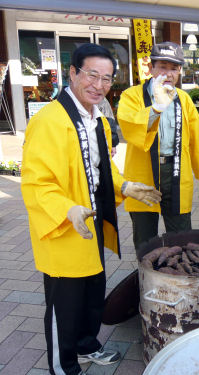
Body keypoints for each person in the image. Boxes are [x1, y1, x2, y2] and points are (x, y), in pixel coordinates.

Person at [21, 43, 162, 375]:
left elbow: (101, 168)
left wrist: (125, 186)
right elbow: (37, 182)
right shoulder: (49, 121)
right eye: (92, 76)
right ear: (73, 73)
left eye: (107, 79)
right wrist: (67, 209)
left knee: (91, 294)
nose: (99, 86)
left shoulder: (97, 118)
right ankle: (63, 366)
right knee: (64, 306)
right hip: (64, 228)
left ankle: (86, 345)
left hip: (91, 224)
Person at [118, 42, 199, 256]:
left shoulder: (183, 99)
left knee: (181, 237)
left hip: (176, 172)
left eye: (174, 68)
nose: (168, 73)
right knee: (145, 238)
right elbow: (130, 127)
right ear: (151, 68)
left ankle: (179, 278)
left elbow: (196, 137)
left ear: (180, 71)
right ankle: (149, 280)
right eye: (163, 67)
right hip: (144, 174)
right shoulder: (132, 96)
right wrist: (156, 108)